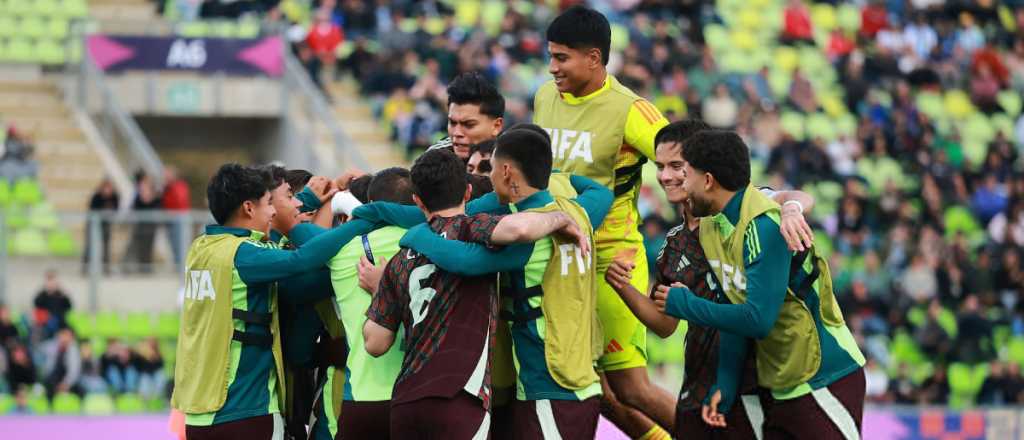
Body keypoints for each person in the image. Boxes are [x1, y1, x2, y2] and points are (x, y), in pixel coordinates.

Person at [391, 128, 614, 439]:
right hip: (575, 378)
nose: (488, 177)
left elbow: (466, 261)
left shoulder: (533, 232)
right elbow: (603, 193)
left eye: (492, 167)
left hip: (549, 380)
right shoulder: (575, 211)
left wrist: (419, 236)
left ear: (507, 171)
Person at [607, 120, 817, 439]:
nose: (666, 176)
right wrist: (623, 287)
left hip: (755, 378)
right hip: (700, 384)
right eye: (660, 166)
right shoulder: (675, 244)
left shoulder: (744, 208)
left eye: (677, 166)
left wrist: (791, 209)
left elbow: (796, 196)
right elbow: (664, 324)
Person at [654, 130, 866, 439]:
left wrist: (686, 306)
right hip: (780, 384)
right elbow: (733, 305)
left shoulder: (764, 226)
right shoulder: (713, 224)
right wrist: (725, 385)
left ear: (708, 180)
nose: (682, 184)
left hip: (824, 376)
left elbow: (758, 319)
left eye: (687, 176)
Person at [533, 6, 674, 438]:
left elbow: (684, 157)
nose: (552, 67)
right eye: (551, 56)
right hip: (557, 260)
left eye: (562, 58)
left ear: (594, 58)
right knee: (594, 390)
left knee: (631, 388)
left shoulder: (631, 110)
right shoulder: (544, 97)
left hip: (611, 261)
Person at [170, 163, 379, 439]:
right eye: (270, 203)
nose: (272, 212)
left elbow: (272, 225)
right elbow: (301, 259)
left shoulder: (201, 248)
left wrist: (309, 200)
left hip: (198, 413)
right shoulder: (244, 255)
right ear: (248, 208)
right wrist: (366, 221)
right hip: (245, 408)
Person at [427, 72, 505, 161]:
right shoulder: (435, 158)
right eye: (452, 123)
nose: (457, 133)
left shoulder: (515, 159)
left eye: (469, 125)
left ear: (496, 126)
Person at [124, 171, 161, 274]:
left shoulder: (154, 193)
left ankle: (146, 269)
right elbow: (139, 204)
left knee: (147, 246)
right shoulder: (138, 193)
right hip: (140, 224)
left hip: (150, 225)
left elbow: (155, 203)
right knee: (135, 246)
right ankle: (129, 267)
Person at [84, 178, 119, 274]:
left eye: (109, 188)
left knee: (106, 247)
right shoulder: (96, 196)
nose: (108, 190)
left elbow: (115, 210)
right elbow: (92, 210)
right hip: (93, 224)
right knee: (89, 246)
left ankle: (106, 268)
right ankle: (85, 268)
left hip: (106, 224)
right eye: (106, 188)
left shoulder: (115, 197)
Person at [162, 166, 192, 271]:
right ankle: (177, 266)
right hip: (170, 220)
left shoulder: (179, 186)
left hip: (179, 220)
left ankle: (182, 268)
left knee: (180, 245)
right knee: (173, 245)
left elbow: (179, 202)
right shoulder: (166, 188)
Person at [40, 328, 81, 400]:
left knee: (79, 390)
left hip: (66, 380)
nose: (65, 338)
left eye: (68, 336)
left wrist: (65, 384)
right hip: (51, 377)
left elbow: (73, 372)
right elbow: (39, 349)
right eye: (63, 335)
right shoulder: (51, 346)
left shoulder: (74, 350)